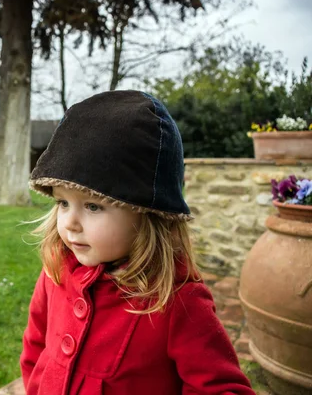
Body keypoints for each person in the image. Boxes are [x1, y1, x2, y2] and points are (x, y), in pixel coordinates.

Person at [20, 90, 255, 394]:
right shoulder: (56, 270)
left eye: (93, 206)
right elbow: (36, 345)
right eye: (63, 203)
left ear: (148, 215)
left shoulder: (177, 301)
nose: (69, 223)